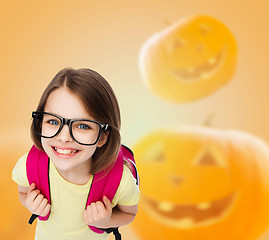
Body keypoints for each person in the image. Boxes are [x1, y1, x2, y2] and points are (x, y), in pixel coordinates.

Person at [12, 68, 140, 240]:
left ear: (103, 136)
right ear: (40, 123)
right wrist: (30, 204)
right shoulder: (29, 166)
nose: (63, 137)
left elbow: (129, 213)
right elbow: (23, 192)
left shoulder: (121, 181)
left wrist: (107, 220)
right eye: (53, 121)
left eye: (82, 126)